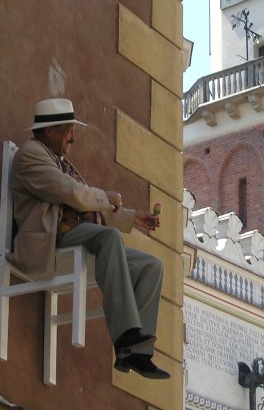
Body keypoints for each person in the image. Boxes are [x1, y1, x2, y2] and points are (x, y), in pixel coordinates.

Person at [9, 98, 169, 380]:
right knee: (109, 239)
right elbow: (71, 193)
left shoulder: (57, 159)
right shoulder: (31, 154)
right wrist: (105, 196)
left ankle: (138, 351)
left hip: (79, 236)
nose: (74, 137)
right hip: (53, 239)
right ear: (49, 131)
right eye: (69, 130)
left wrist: (132, 218)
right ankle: (125, 336)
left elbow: (83, 202)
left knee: (151, 266)